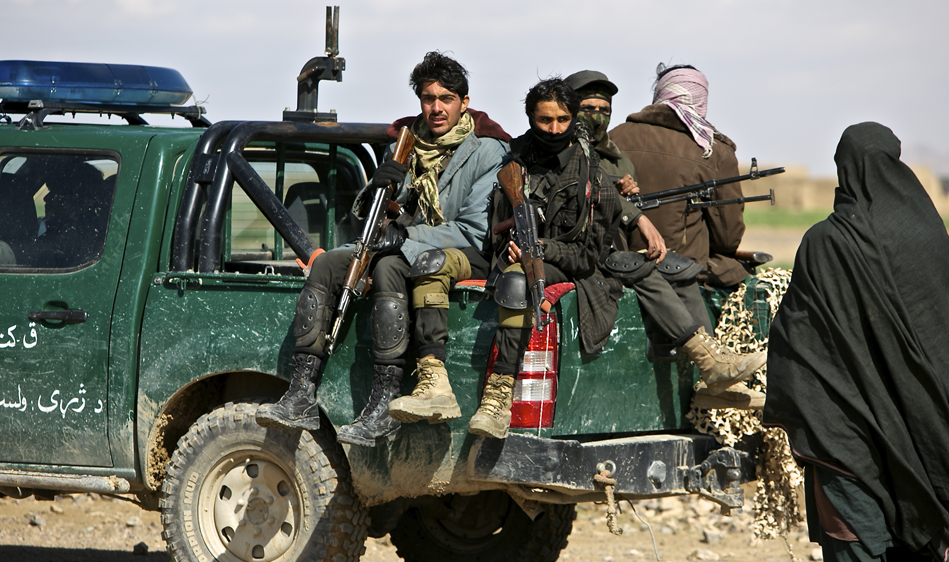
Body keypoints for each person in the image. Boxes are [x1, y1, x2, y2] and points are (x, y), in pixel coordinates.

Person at [466, 79, 766, 440]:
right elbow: (492, 227)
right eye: (545, 120)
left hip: (571, 257)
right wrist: (511, 246)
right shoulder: (512, 162)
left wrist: (547, 247)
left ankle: (709, 360)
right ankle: (496, 401)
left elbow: (589, 249)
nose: (555, 129)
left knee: (644, 265)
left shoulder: (586, 166)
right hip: (527, 261)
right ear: (531, 117)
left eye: (563, 119)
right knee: (516, 279)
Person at [762, 122, 949, 561]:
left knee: (860, 540)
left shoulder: (824, 243)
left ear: (844, 169)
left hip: (847, 434)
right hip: (925, 431)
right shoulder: (932, 237)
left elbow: (799, 342)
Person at [256, 52, 509, 448]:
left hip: (458, 251)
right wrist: (381, 186)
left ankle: (383, 404)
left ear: (464, 101)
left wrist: (404, 239)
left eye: (446, 98)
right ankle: (301, 393)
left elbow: (474, 231)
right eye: (428, 98)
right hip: (402, 242)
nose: (436, 108)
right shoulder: (409, 143)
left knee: (390, 266)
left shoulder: (488, 152)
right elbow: (375, 213)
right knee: (328, 266)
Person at [566, 69, 765, 410]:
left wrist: (624, 198)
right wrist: (626, 206)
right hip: (584, 252)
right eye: (587, 108)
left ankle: (712, 379)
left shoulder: (617, 146)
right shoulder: (710, 149)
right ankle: (710, 362)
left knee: (675, 263)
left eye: (604, 109)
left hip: (626, 249)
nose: (597, 118)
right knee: (641, 263)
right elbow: (728, 236)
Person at [609, 63, 750, 289]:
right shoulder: (714, 151)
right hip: (681, 272)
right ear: (701, 100)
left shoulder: (613, 137)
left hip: (614, 264)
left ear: (660, 94)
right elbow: (727, 238)